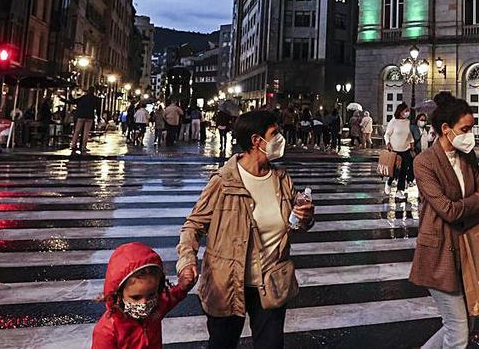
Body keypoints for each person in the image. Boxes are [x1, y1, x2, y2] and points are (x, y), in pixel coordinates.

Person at [177, 109, 315, 348]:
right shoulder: (224, 181)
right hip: (227, 283)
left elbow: (295, 225)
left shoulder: (282, 179)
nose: (280, 139)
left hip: (271, 284)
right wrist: (187, 260)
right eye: (274, 134)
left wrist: (304, 217)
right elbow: (193, 225)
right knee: (222, 344)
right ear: (256, 141)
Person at [410, 94, 479, 349]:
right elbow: (447, 210)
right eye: (465, 129)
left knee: (466, 322)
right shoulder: (424, 162)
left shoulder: (468, 155)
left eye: (471, 128)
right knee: (458, 332)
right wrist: (471, 202)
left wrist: (468, 204)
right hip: (439, 252)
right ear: (446, 129)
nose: (470, 135)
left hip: (468, 250)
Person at [92, 241, 196, 349]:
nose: (144, 303)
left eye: (151, 295)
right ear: (118, 293)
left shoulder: (155, 309)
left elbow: (170, 298)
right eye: (135, 297)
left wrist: (183, 286)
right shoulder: (107, 330)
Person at [384, 103, 416, 197]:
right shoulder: (393, 122)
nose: (407, 113)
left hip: (405, 149)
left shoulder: (407, 122)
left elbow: (409, 134)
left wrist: (412, 143)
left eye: (407, 111)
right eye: (405, 111)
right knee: (393, 170)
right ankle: (389, 182)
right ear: (400, 111)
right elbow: (387, 134)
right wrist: (388, 143)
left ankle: (400, 190)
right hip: (394, 149)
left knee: (404, 170)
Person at [67, 87, 101, 156]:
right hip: (89, 117)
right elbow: (98, 109)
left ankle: (73, 145)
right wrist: (98, 117)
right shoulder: (96, 99)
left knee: (77, 131)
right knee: (86, 133)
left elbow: (73, 101)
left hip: (81, 116)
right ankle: (83, 147)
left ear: (88, 91)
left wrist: (65, 97)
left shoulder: (83, 98)